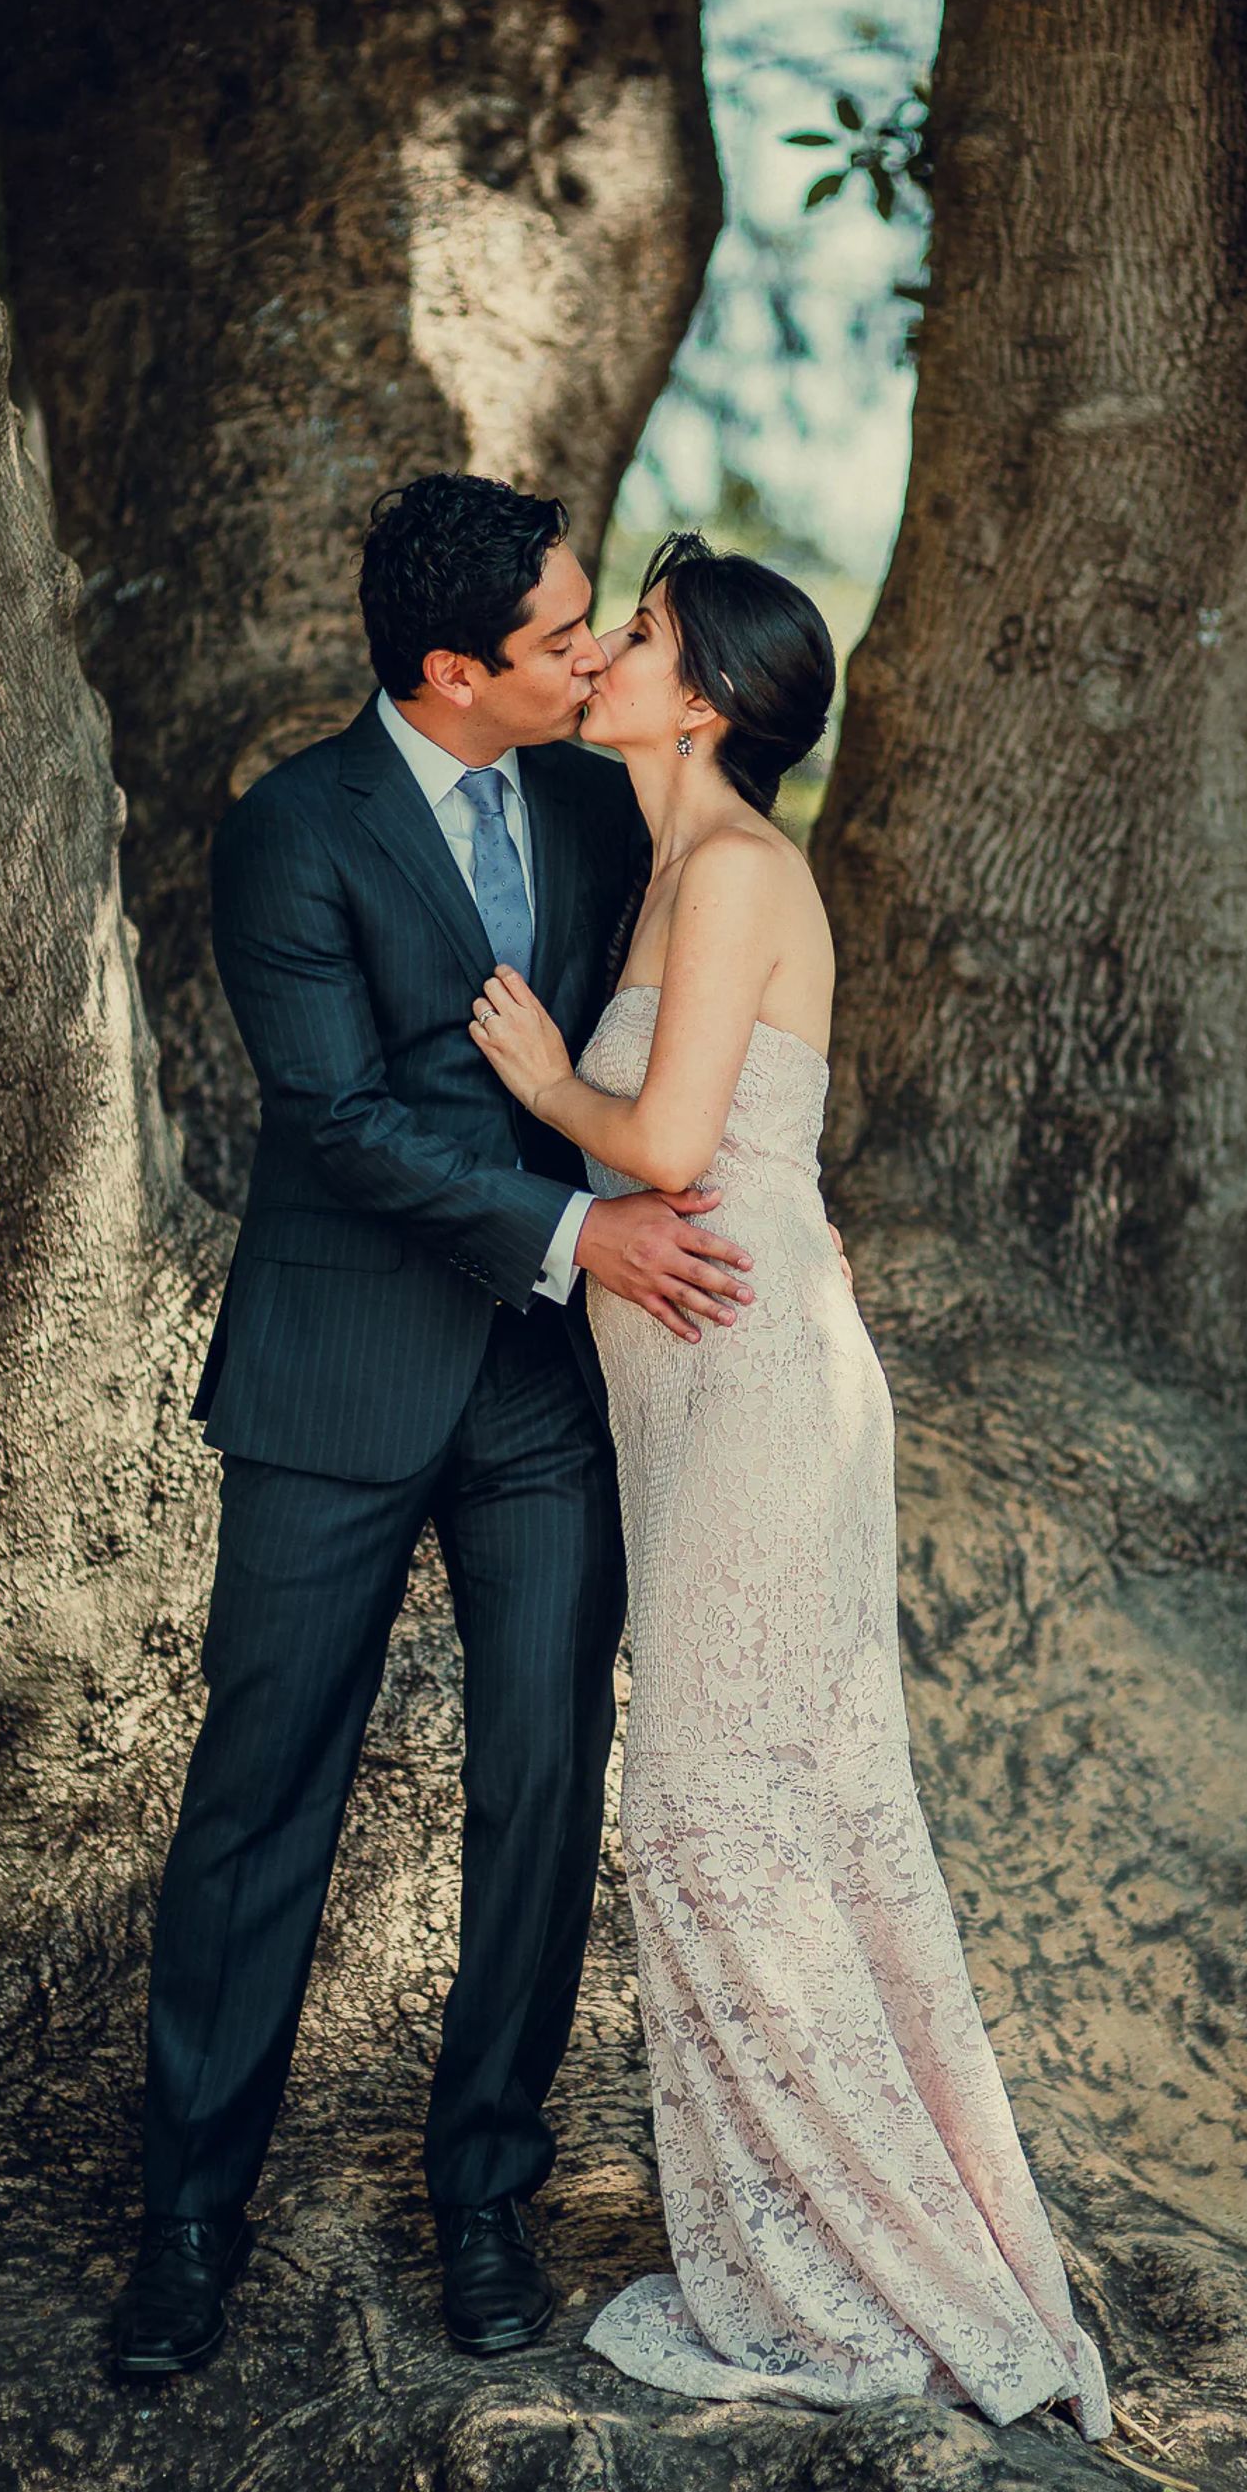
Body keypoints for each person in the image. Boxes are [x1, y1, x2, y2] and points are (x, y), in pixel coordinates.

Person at [111, 474, 765, 2380]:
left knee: (544, 1796)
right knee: (259, 1805)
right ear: (447, 668)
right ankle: (186, 2225)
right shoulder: (288, 833)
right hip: (337, 1375)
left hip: (547, 1395)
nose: (589, 655)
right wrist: (584, 1228)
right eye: (563, 637)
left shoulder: (591, 797)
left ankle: (484, 2196)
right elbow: (332, 1122)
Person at [468, 531, 1114, 2433]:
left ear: (716, 701)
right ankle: (802, 2248)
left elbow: (666, 1141)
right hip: (689, 1408)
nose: (606, 657)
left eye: (641, 637)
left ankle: (880, 2273)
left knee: (709, 1811)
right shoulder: (670, 870)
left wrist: (534, 1078)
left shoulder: (739, 872)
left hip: (755, 1393)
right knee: (772, 1816)